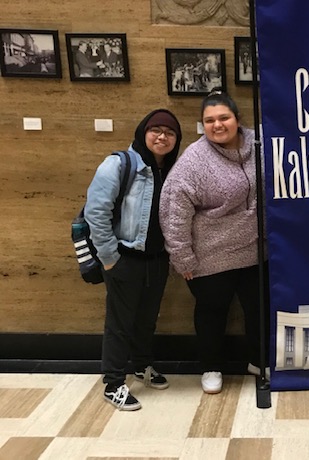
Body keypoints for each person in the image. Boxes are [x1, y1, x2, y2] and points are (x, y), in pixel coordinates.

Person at [160, 92, 268, 395]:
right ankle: (211, 366)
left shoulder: (260, 144)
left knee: (258, 309)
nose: (217, 125)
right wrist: (182, 259)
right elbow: (174, 212)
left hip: (257, 251)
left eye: (224, 118)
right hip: (210, 255)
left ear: (237, 119)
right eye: (210, 120)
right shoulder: (193, 161)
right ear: (202, 125)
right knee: (211, 313)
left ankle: (258, 361)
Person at [85, 109, 182, 411]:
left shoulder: (172, 169)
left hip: (157, 260)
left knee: (146, 320)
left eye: (169, 132)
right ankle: (113, 383)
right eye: (156, 130)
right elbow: (95, 213)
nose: (162, 136)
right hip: (125, 259)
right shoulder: (119, 164)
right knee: (120, 324)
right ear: (143, 132)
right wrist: (110, 258)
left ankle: (142, 365)